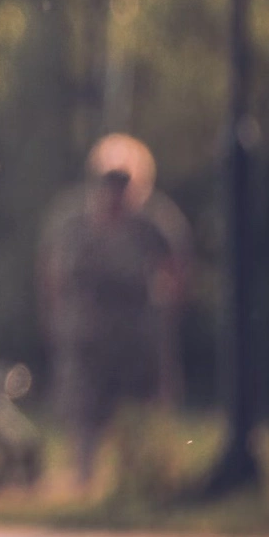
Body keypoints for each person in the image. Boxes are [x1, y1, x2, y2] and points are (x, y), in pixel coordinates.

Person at [37, 133, 192, 488]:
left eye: (123, 180)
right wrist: (53, 320)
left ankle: (136, 483)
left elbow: (179, 267)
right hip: (85, 335)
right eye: (108, 179)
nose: (114, 189)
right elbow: (49, 271)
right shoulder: (71, 220)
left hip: (136, 336)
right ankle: (84, 482)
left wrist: (167, 314)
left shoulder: (153, 222)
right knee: (84, 414)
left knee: (140, 410)